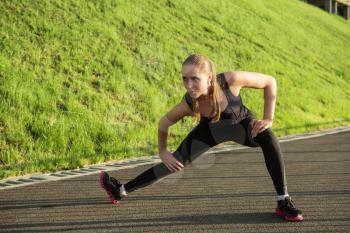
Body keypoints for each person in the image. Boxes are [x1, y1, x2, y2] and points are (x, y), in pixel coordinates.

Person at [99, 54, 303, 221]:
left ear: (210, 78)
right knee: (174, 162)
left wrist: (268, 118)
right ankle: (121, 190)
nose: (188, 85)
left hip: (242, 125)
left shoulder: (230, 80)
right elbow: (164, 124)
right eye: (184, 79)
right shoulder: (189, 103)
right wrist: (163, 152)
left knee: (268, 136)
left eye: (194, 79)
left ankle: (283, 201)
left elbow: (270, 82)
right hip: (210, 131)